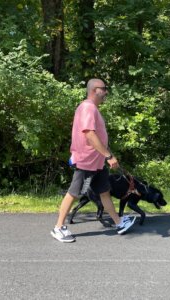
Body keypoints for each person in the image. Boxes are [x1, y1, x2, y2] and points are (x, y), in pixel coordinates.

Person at [51, 78, 136, 242]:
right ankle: (58, 228)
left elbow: (98, 136)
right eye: (104, 89)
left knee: (104, 192)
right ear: (95, 90)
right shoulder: (88, 107)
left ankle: (119, 223)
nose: (106, 92)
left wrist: (107, 154)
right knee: (74, 193)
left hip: (97, 162)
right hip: (86, 161)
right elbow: (89, 133)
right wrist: (108, 156)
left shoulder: (92, 109)